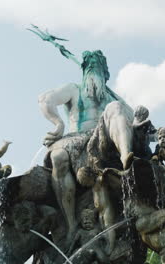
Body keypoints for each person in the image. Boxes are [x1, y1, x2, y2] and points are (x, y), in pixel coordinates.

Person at [38, 50, 134, 239]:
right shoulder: (74, 89)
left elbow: (133, 120)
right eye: (89, 66)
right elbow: (45, 99)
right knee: (58, 156)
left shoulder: (113, 99)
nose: (92, 69)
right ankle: (71, 223)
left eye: (97, 66)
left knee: (115, 108)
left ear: (105, 74)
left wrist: (139, 116)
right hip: (75, 139)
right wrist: (58, 124)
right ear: (83, 71)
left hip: (103, 140)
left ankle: (125, 158)